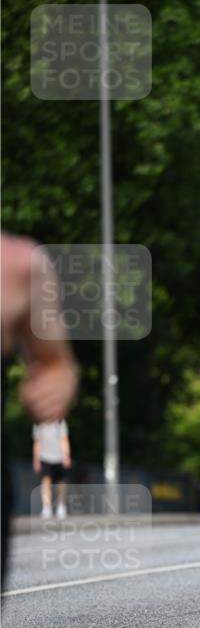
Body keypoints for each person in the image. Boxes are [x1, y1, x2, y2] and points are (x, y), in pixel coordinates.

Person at [1, 233, 78, 585]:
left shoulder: (18, 264)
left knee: (54, 481)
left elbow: (54, 363)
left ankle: (55, 508)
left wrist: (54, 383)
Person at [33, 418, 71, 518]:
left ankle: (61, 506)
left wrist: (66, 456)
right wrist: (36, 460)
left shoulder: (60, 422)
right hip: (44, 457)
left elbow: (64, 439)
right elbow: (37, 443)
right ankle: (46, 507)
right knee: (45, 482)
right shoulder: (39, 423)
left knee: (61, 483)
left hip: (59, 458)